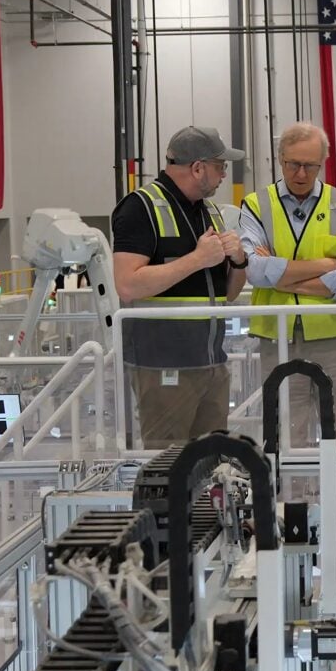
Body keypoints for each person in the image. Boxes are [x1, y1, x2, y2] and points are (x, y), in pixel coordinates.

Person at [239, 122, 336, 589]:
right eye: (293, 164)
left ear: (323, 163)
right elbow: (255, 271)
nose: (300, 173)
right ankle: (294, 551)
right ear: (280, 160)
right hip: (276, 342)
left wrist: (286, 276)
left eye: (310, 165)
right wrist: (322, 269)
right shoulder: (256, 205)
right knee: (286, 451)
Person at [112, 126, 249, 448]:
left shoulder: (209, 212)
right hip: (163, 367)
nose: (224, 175)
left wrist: (240, 260)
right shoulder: (139, 208)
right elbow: (127, 285)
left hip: (211, 363)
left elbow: (228, 293)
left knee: (212, 465)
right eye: (220, 166)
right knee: (168, 466)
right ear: (198, 168)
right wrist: (197, 259)